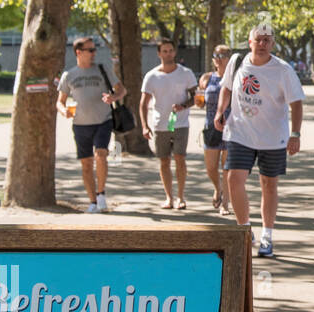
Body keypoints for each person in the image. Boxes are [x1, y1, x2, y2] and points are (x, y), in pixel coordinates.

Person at [215, 23, 304, 258]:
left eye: (267, 40)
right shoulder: (236, 62)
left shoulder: (283, 70)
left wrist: (295, 134)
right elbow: (226, 89)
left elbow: (296, 103)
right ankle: (244, 229)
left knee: (269, 185)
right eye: (258, 39)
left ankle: (267, 234)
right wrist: (219, 111)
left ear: (272, 44)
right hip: (239, 133)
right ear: (250, 41)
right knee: (234, 179)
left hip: (273, 137)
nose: (262, 44)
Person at [55, 37, 126, 212]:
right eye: (90, 50)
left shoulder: (102, 69)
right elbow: (59, 101)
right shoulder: (69, 75)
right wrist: (63, 111)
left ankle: (101, 194)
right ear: (78, 52)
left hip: (103, 120)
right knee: (86, 164)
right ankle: (93, 202)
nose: (94, 53)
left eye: (95, 50)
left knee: (101, 155)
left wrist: (114, 97)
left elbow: (122, 89)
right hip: (80, 124)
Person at [139, 39, 198, 210]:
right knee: (164, 161)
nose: (168, 54)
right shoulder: (151, 76)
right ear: (159, 54)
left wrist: (184, 106)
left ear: (175, 52)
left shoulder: (186, 73)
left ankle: (180, 197)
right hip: (161, 124)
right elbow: (143, 103)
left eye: (171, 50)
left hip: (180, 123)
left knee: (180, 158)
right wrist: (144, 125)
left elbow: (195, 97)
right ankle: (168, 197)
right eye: (164, 51)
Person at [200, 46, 233, 214]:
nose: (219, 58)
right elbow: (199, 99)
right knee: (211, 167)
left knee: (227, 166)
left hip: (231, 127)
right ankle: (217, 188)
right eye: (216, 55)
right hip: (211, 126)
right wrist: (197, 100)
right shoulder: (207, 78)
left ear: (230, 58)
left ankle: (226, 203)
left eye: (223, 55)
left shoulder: (236, 78)